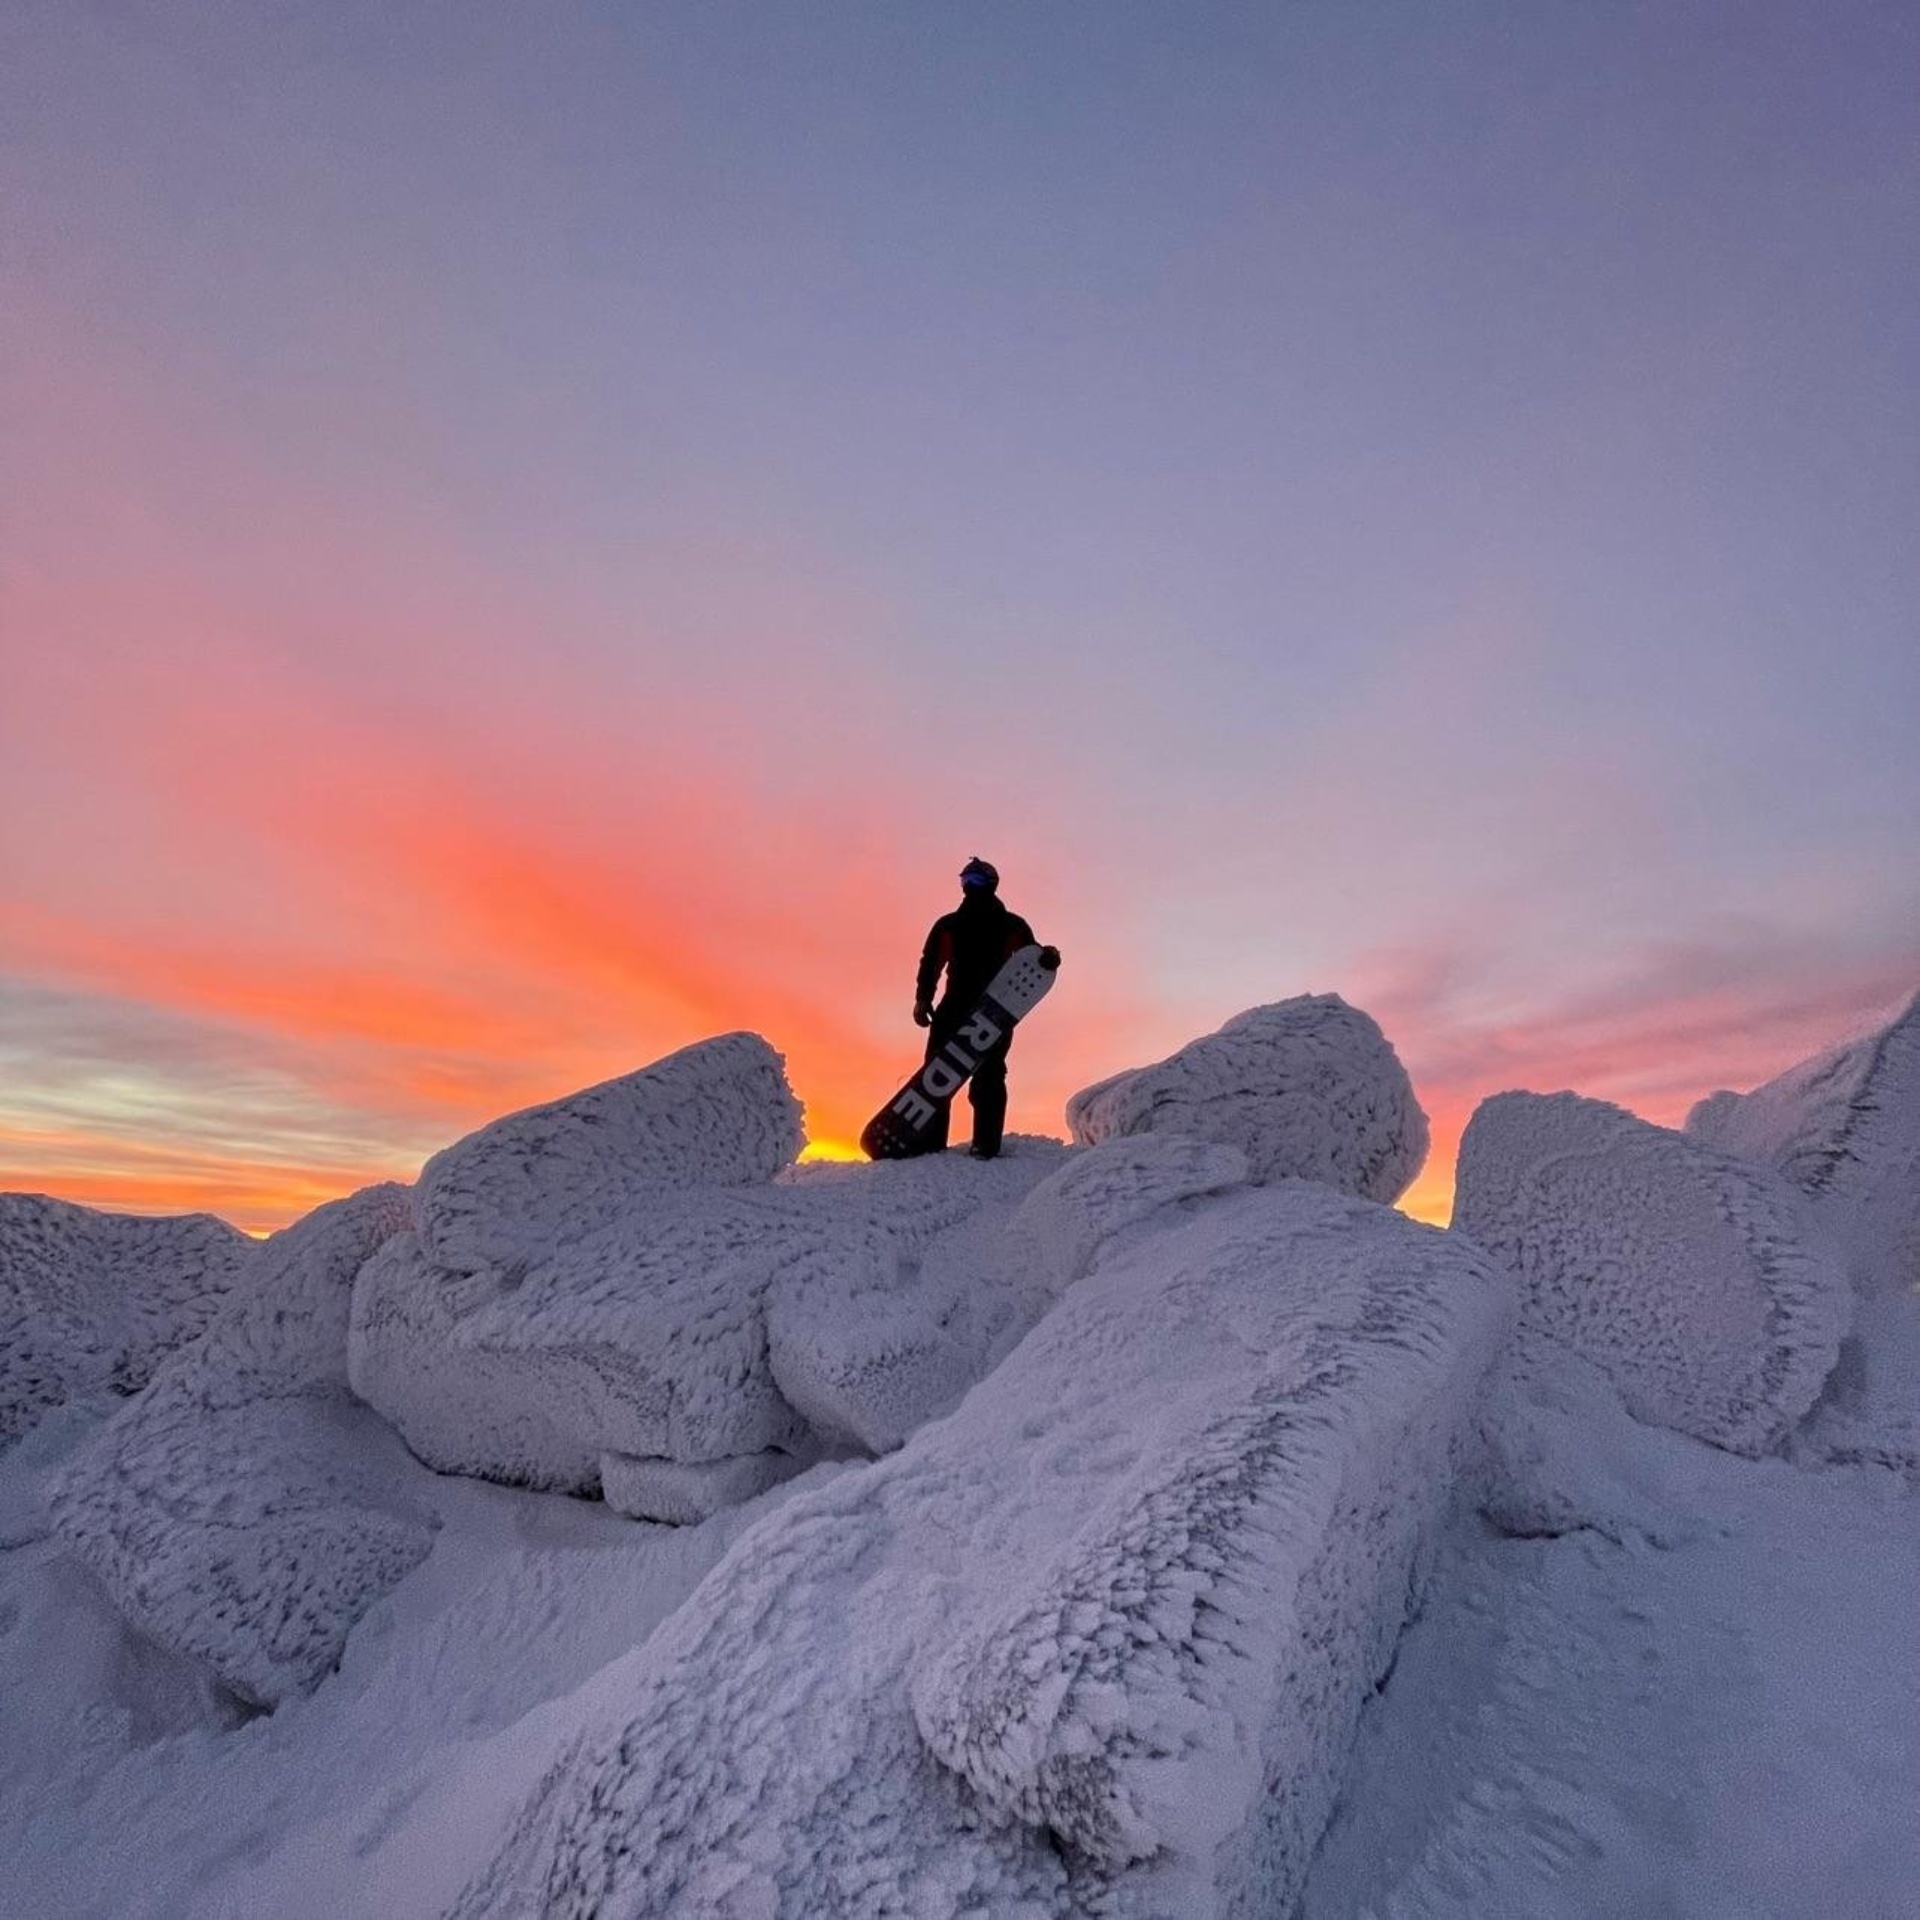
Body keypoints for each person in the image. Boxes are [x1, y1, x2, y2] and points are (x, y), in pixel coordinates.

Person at [912, 857, 1054, 1158]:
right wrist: (923, 999)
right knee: (937, 1074)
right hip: (954, 1007)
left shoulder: (1012, 924)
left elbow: (1032, 958)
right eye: (965, 881)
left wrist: (1049, 956)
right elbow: (931, 963)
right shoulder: (949, 924)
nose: (969, 887)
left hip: (995, 1009)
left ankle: (986, 1144)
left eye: (975, 881)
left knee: (989, 1075)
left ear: (991, 884)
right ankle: (930, 1144)